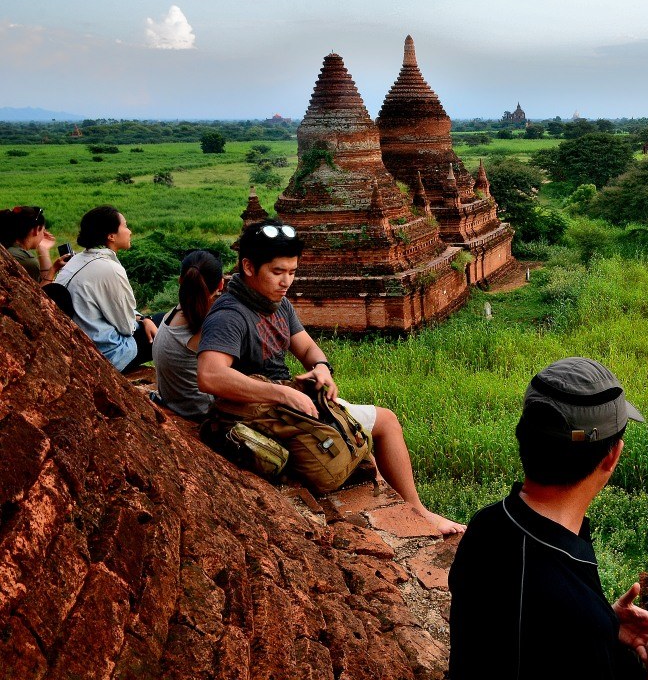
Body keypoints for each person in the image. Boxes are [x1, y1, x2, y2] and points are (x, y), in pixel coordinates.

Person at [448, 357, 648, 680]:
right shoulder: (574, 612)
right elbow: (552, 616)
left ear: (525, 436)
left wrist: (607, 623)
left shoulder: (489, 524)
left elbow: (521, 628)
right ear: (612, 456)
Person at [195, 218, 464, 535]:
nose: (286, 282)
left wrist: (322, 368)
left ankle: (411, 509)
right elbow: (210, 376)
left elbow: (307, 347)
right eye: (278, 272)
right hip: (261, 412)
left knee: (359, 441)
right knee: (386, 422)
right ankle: (418, 512)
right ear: (249, 267)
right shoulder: (231, 313)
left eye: (292, 272)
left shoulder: (277, 304)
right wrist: (283, 394)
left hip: (284, 404)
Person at [54, 205, 158, 373]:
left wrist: (140, 318)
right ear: (111, 236)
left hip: (78, 345)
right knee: (166, 325)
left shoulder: (76, 259)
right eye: (125, 226)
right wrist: (143, 320)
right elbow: (126, 327)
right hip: (106, 354)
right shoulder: (109, 268)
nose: (130, 231)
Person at [152, 250, 226, 420]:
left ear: (180, 281)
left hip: (173, 402)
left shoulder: (171, 314)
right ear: (221, 285)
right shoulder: (208, 325)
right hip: (199, 412)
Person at [1, 205, 66, 285]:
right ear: (36, 230)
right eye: (43, 230)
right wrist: (53, 270)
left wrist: (43, 249)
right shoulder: (24, 260)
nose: (43, 234)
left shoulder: (4, 247)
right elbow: (42, 294)